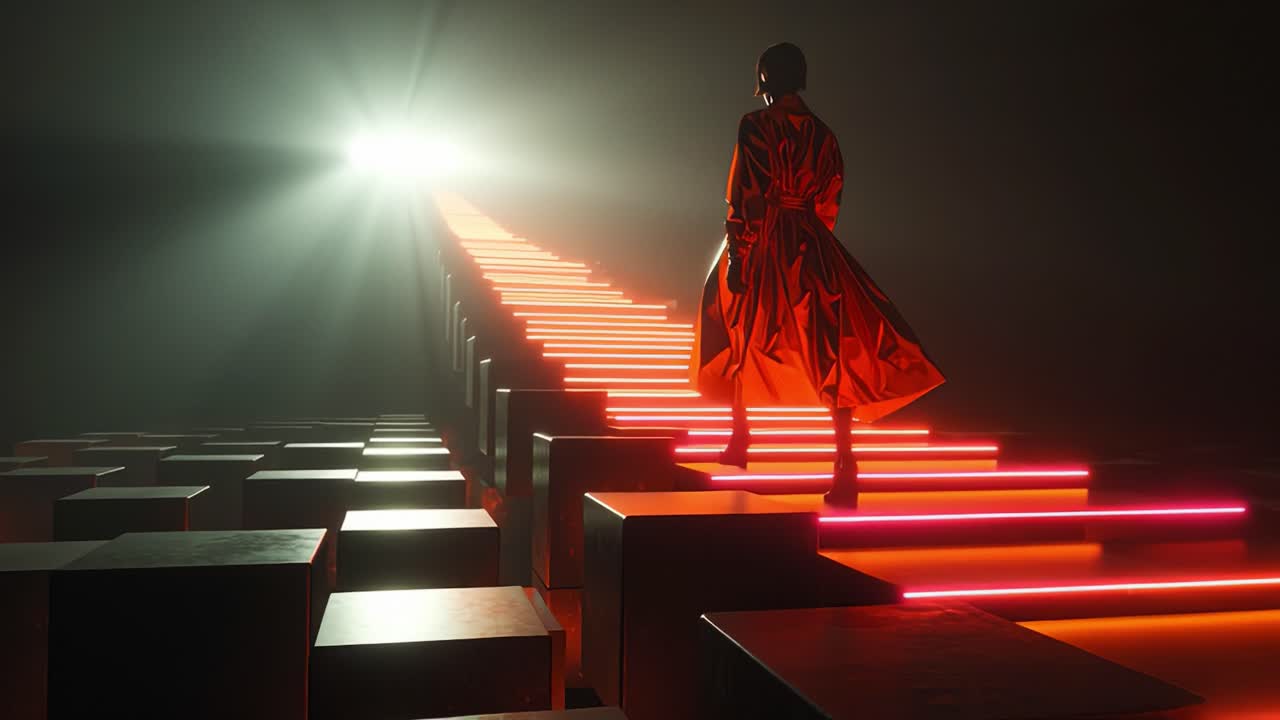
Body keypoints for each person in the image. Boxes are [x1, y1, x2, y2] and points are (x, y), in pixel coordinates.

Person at [691, 42, 945, 508]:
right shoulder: (825, 136)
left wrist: (739, 256)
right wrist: (810, 234)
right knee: (831, 348)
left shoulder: (756, 126)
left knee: (737, 326)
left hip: (766, 237)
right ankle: (845, 463)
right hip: (810, 241)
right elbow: (830, 198)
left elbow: (746, 192)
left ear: (765, 79)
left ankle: (740, 436)